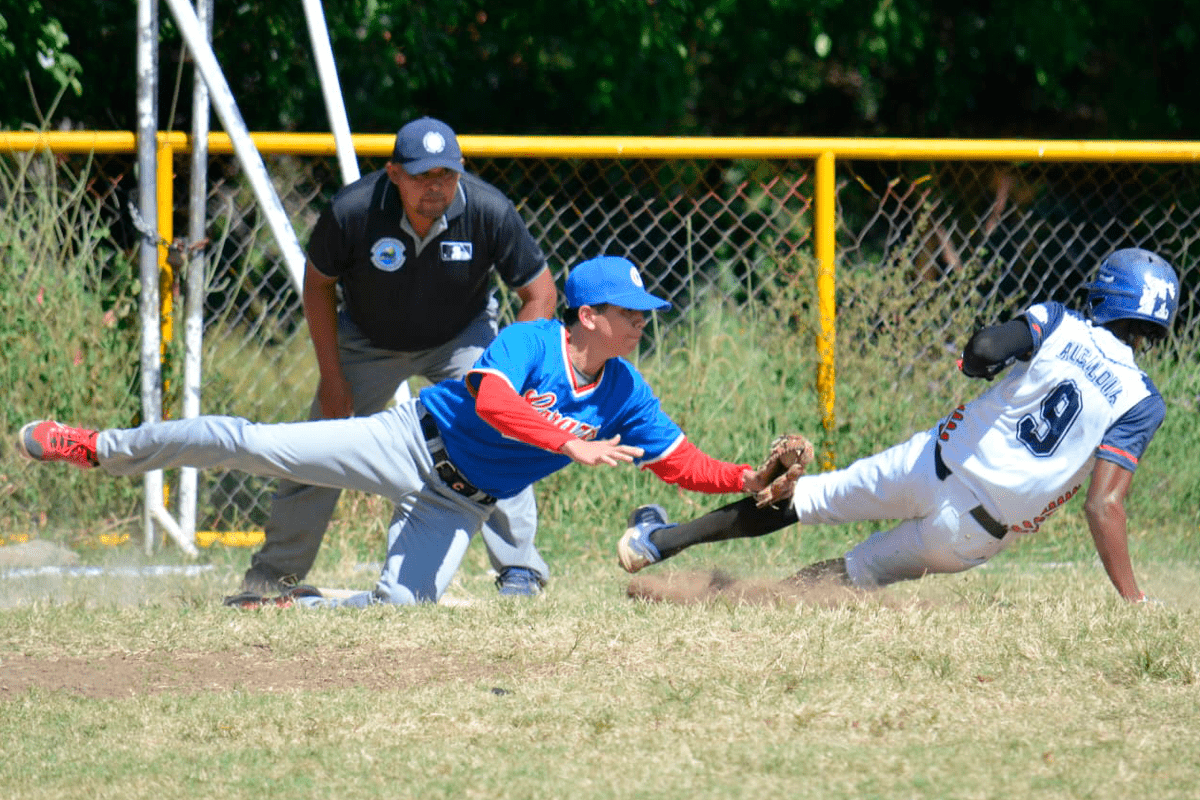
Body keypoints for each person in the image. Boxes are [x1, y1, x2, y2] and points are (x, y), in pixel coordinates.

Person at [18, 255, 775, 607]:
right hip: (406, 442)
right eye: (631, 311)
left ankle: (292, 602)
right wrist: (566, 442)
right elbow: (487, 401)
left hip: (458, 502)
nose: (643, 322)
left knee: (400, 611)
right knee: (250, 441)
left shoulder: (625, 392)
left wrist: (747, 479)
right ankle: (96, 446)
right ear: (589, 315)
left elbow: (679, 463)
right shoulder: (532, 340)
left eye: (645, 312)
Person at [617, 247, 1179, 603]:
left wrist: (978, 363)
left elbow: (985, 348)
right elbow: (1104, 504)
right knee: (855, 573)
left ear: (1104, 293)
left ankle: (657, 546)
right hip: (972, 535)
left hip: (929, 466)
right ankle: (738, 600)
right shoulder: (1141, 401)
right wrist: (1133, 601)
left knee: (806, 498)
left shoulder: (1058, 323)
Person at [248, 116, 558, 598]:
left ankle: (520, 570)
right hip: (368, 340)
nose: (436, 187)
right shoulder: (354, 210)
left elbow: (539, 293)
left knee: (501, 430)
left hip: (461, 337)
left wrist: (508, 378)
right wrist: (333, 378)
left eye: (446, 175)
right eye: (421, 176)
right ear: (394, 174)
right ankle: (272, 576)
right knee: (318, 444)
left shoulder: (488, 210)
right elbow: (318, 286)